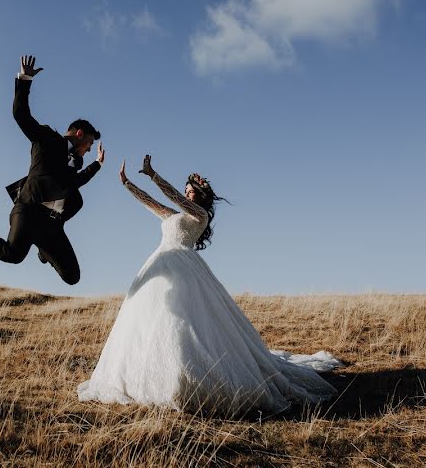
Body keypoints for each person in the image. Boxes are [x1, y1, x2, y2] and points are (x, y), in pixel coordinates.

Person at [77, 155, 340, 416]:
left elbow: (173, 198)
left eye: (192, 192)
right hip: (160, 264)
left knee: (184, 323)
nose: (187, 195)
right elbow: (152, 204)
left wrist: (154, 175)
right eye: (187, 191)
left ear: (201, 197)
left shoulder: (199, 215)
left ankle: (186, 379)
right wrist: (127, 184)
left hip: (183, 268)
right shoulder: (176, 216)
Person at [0, 55, 104, 285]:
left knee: (72, 277)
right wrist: (24, 80)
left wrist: (96, 165)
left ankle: (44, 251)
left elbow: (73, 185)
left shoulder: (78, 162)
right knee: (12, 254)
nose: (89, 149)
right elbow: (21, 115)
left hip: (52, 225)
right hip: (29, 211)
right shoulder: (47, 139)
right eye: (89, 144)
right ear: (79, 134)